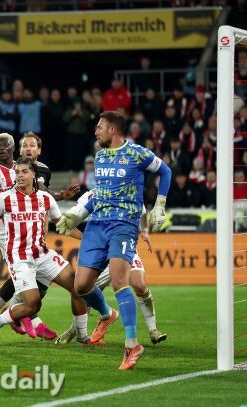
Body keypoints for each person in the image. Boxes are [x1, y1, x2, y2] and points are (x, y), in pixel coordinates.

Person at [56, 111, 171, 370]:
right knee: (81, 286)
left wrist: (160, 204)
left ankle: (132, 344)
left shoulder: (137, 153)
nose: (96, 131)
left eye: (100, 127)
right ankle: (108, 314)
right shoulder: (100, 156)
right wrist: (78, 216)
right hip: (97, 225)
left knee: (121, 281)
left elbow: (166, 171)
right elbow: (101, 194)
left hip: (123, 224)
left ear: (113, 130)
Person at [0, 158, 88, 345]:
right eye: (17, 172)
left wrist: (86, 239)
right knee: (32, 304)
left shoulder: (45, 198)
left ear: (34, 174)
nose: (19, 175)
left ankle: (82, 337)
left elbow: (62, 225)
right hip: (19, 258)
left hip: (42, 254)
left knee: (78, 288)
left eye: (24, 172)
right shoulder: (5, 198)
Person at [56, 190, 167, 345]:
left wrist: (144, 231)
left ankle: (153, 330)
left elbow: (140, 209)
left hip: (123, 245)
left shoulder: (126, 189)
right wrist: (86, 238)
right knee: (84, 290)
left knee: (139, 284)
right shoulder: (90, 196)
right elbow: (68, 220)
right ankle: (77, 330)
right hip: (99, 249)